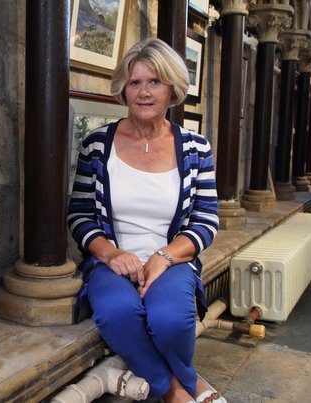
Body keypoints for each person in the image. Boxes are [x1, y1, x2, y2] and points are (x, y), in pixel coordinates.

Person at [67, 37, 221, 403]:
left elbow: (206, 220)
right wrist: (110, 255)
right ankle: (178, 390)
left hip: (172, 260)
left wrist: (164, 257)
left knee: (170, 319)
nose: (144, 92)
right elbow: (79, 214)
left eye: (155, 82)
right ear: (124, 90)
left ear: (173, 90)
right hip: (112, 262)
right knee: (118, 311)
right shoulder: (97, 145)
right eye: (135, 82)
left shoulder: (196, 149)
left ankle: (179, 383)